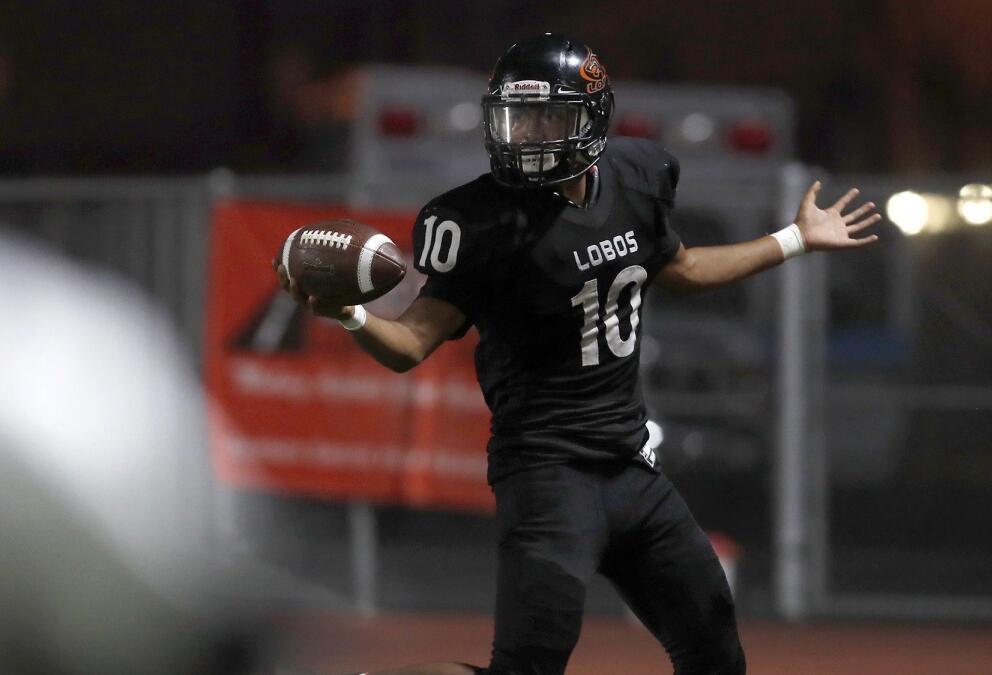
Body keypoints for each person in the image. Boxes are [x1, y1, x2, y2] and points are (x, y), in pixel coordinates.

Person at [276, 33, 879, 675]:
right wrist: (352, 314)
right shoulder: (474, 220)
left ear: (591, 117)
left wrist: (793, 239)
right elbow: (412, 343)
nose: (528, 134)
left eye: (547, 116)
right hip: (548, 476)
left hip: (630, 468)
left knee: (717, 656)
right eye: (517, 116)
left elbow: (680, 267)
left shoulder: (639, 175)